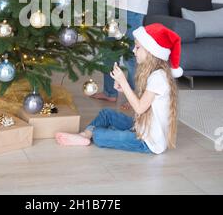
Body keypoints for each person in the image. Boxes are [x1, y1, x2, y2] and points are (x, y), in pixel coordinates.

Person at [55, 23, 182, 155]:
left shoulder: (158, 78)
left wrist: (124, 82)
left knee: (98, 134)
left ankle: (88, 136)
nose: (133, 50)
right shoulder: (155, 74)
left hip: (147, 141)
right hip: (140, 127)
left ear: (151, 52)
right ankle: (84, 136)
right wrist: (124, 89)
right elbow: (145, 104)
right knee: (106, 114)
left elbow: (139, 108)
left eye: (137, 47)